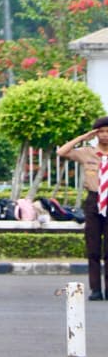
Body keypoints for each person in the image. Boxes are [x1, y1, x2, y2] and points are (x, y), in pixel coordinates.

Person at [56, 116, 108, 301]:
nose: (105, 135)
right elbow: (62, 151)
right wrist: (83, 137)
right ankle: (96, 289)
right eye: (101, 131)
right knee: (93, 248)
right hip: (93, 200)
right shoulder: (88, 152)